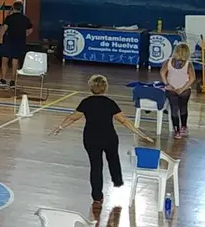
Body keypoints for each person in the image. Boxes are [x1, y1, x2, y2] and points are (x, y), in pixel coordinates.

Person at [53, 75, 154, 206]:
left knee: (96, 166)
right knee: (113, 158)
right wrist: (140, 134)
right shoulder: (110, 103)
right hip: (109, 138)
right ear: (105, 88)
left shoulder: (86, 102)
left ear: (91, 88)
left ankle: (97, 197)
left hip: (91, 139)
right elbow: (124, 121)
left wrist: (61, 127)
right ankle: (117, 181)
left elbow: (73, 117)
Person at [0, 1, 32, 89]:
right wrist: (23, 35)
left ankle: (3, 79)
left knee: (5, 59)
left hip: (9, 41)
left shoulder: (9, 18)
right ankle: (13, 81)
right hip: (19, 42)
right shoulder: (25, 19)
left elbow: (4, 28)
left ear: (13, 7)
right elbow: (30, 30)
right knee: (15, 61)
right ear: (21, 8)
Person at [162, 42, 195, 138]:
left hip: (171, 89)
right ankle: (184, 127)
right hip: (184, 90)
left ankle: (176, 131)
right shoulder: (189, 64)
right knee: (183, 107)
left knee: (174, 109)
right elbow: (192, 79)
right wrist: (182, 89)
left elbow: (162, 73)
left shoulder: (168, 62)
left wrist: (167, 84)